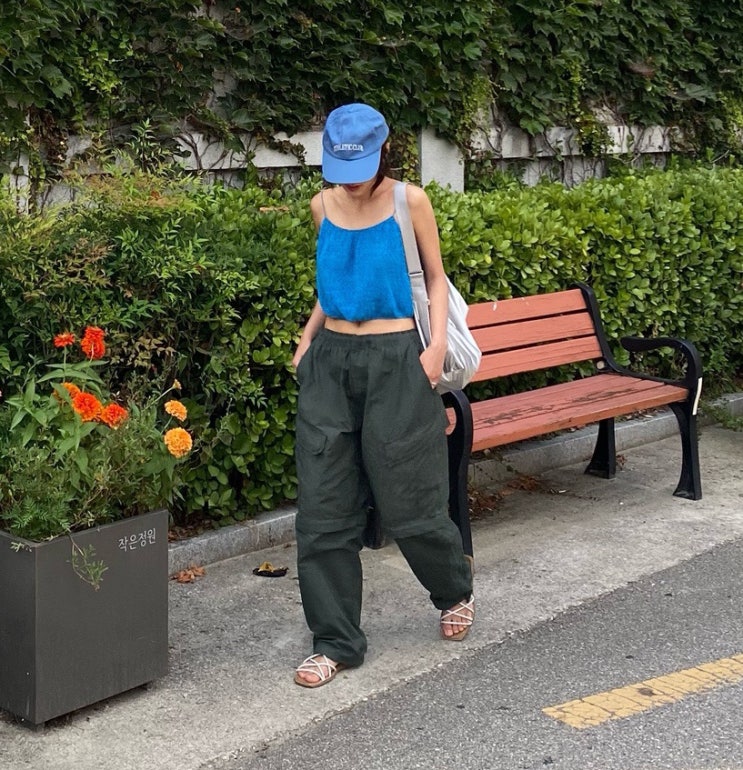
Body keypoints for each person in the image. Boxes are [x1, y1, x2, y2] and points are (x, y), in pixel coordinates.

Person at [292, 103, 474, 688]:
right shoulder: (321, 206)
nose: (350, 181)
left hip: (398, 359)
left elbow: (435, 277)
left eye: (361, 167)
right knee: (322, 507)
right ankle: (335, 641)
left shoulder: (408, 201)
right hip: (330, 363)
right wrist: (307, 341)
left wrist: (435, 348)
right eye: (341, 169)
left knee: (411, 496)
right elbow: (333, 283)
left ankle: (453, 589)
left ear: (383, 154)